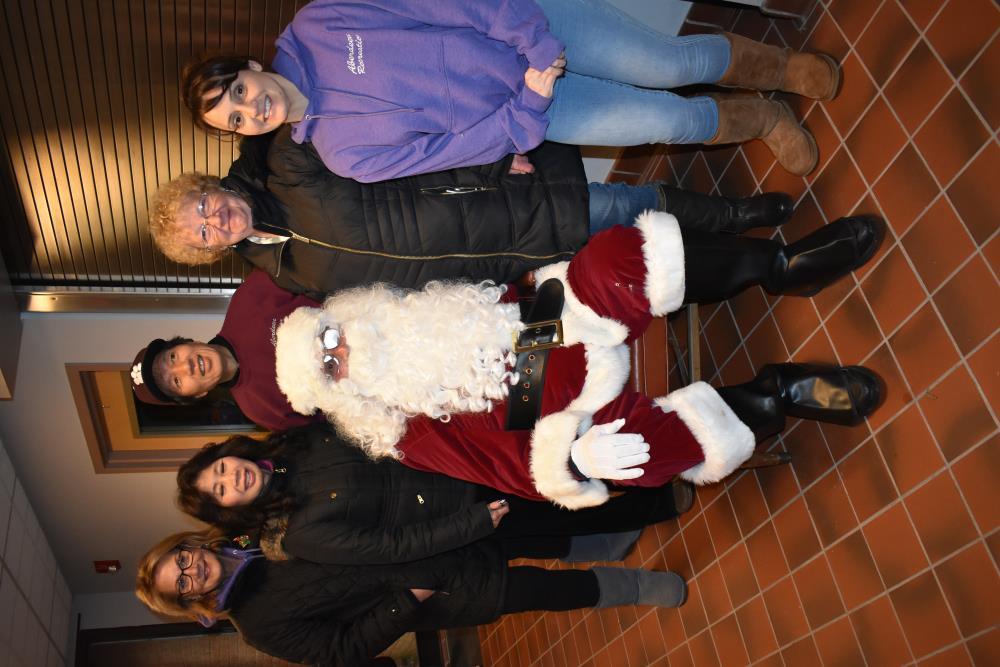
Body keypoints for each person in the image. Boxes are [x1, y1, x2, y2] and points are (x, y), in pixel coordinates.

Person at [273, 210, 885, 507]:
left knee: (613, 259)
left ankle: (783, 267)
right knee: (633, 452)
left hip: (549, 323)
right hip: (561, 407)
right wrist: (575, 456)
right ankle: (775, 396)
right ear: (339, 393)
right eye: (331, 365)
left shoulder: (413, 310)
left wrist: (552, 292)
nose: (345, 350)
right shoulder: (401, 429)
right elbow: (505, 470)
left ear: (345, 314)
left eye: (332, 334)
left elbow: (517, 295)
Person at [182, 0, 839, 178]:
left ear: (250, 65)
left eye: (238, 91)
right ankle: (764, 117)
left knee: (667, 63)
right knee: (665, 121)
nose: (250, 109)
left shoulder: (318, 24)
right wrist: (528, 102)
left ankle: (783, 69)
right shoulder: (343, 156)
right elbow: (457, 149)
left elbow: (441, 4)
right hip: (534, 107)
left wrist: (531, 42)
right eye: (235, 121)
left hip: (531, 27)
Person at [148, 129, 792, 297]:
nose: (215, 220)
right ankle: (740, 251)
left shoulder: (288, 164)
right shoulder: (284, 273)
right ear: (207, 250)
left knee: (626, 203)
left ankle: (735, 213)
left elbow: (403, 151)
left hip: (494, 197)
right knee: (629, 247)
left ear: (210, 185)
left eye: (203, 205)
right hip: (498, 255)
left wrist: (486, 166)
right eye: (201, 231)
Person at [137, 529, 688, 666]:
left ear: (190, 545)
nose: (192, 571)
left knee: (529, 534)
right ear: (192, 601)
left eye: (181, 560)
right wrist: (409, 601)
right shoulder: (256, 626)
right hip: (433, 589)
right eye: (182, 583)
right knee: (546, 589)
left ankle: (612, 537)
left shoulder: (255, 534)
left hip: (434, 533)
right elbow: (341, 650)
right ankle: (637, 587)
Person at [174, 423, 696, 565]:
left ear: (230, 453)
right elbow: (388, 548)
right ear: (231, 510)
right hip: (467, 507)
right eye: (220, 491)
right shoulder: (299, 535)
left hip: (455, 451)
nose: (231, 479)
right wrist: (470, 525)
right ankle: (657, 503)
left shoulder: (295, 440)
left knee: (561, 460)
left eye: (221, 469)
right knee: (562, 513)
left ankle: (652, 457)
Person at [129, 270, 323, 431]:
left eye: (172, 357)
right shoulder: (261, 411)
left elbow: (319, 272)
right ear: (197, 395)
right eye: (177, 381)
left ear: (188, 341)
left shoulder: (248, 299)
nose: (185, 367)